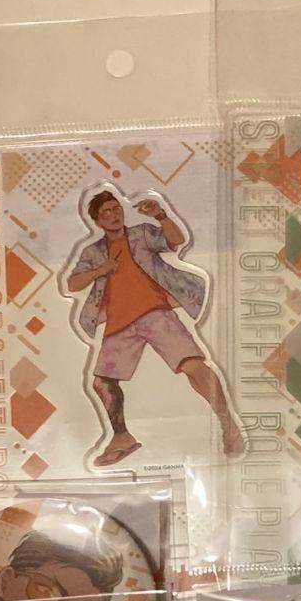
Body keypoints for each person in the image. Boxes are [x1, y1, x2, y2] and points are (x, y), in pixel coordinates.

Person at [64, 188, 243, 467]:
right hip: (120, 323)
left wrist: (161, 215)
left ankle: (228, 424)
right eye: (105, 213)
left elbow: (176, 241)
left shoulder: (141, 233)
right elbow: (72, 284)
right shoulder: (93, 251)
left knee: (194, 366)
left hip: (155, 313)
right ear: (96, 221)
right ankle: (121, 438)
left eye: (116, 209)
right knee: (102, 382)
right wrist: (100, 270)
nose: (113, 215)